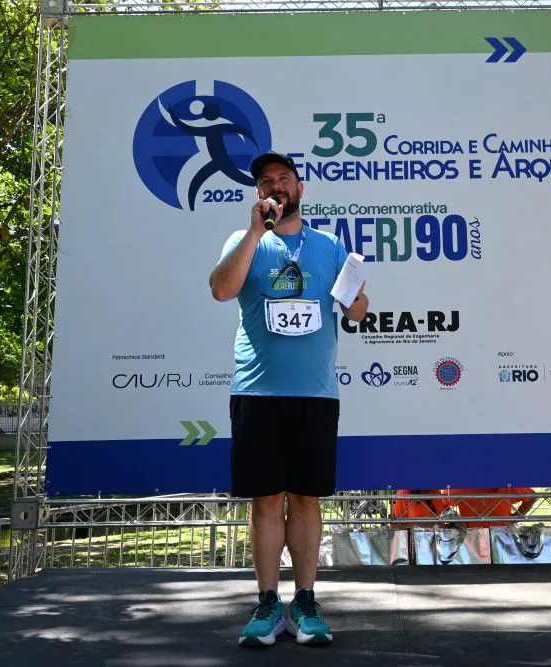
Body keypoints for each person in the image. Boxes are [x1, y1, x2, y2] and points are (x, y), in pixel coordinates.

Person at [209, 151, 369, 647]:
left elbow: (358, 311)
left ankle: (304, 601)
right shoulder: (244, 241)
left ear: (300, 188)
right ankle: (266, 603)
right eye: (266, 181)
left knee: (304, 498)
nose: (276, 185)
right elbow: (221, 291)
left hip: (314, 393)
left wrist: (355, 296)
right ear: (259, 194)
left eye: (284, 178)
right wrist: (254, 233)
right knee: (265, 500)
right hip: (257, 391)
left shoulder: (330, 245)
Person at [445, 487, 535, 528]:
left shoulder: (506, 486)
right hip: (472, 536)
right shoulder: (460, 488)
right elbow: (443, 502)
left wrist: (515, 517)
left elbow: (532, 496)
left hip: (502, 535)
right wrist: (456, 521)